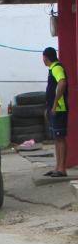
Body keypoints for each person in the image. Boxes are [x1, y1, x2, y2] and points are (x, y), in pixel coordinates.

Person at [43, 47, 69, 178]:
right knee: (56, 138)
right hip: (53, 108)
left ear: (45, 57)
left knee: (60, 138)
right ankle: (57, 167)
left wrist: (55, 103)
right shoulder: (52, 69)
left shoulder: (57, 68)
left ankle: (62, 169)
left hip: (59, 108)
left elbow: (62, 83)